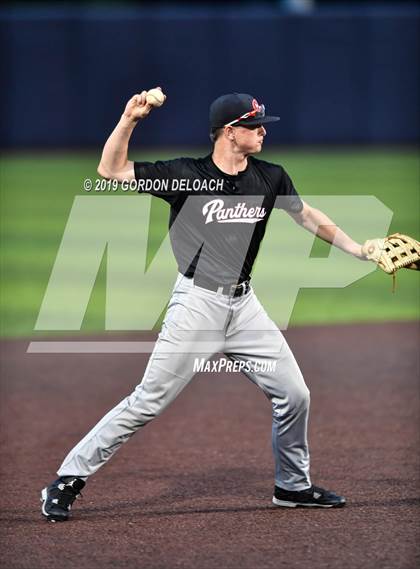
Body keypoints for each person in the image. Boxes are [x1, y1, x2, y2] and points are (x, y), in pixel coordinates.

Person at [41, 89, 366, 522]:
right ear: (230, 133)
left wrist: (360, 250)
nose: (263, 132)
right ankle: (67, 479)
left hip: (245, 306)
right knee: (149, 400)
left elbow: (306, 215)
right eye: (254, 126)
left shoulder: (270, 177)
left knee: (294, 394)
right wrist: (129, 119)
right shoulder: (185, 175)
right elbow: (110, 169)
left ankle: (292, 486)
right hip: (197, 305)